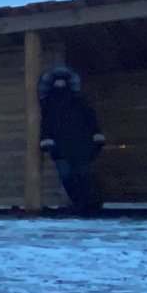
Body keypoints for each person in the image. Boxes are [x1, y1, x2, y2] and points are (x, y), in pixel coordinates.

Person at [38, 66, 106, 213]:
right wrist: (47, 140)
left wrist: (96, 137)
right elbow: (46, 124)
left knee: (81, 175)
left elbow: (90, 120)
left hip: (79, 145)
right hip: (62, 147)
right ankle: (81, 203)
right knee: (68, 176)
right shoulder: (48, 105)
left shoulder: (80, 102)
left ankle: (87, 203)